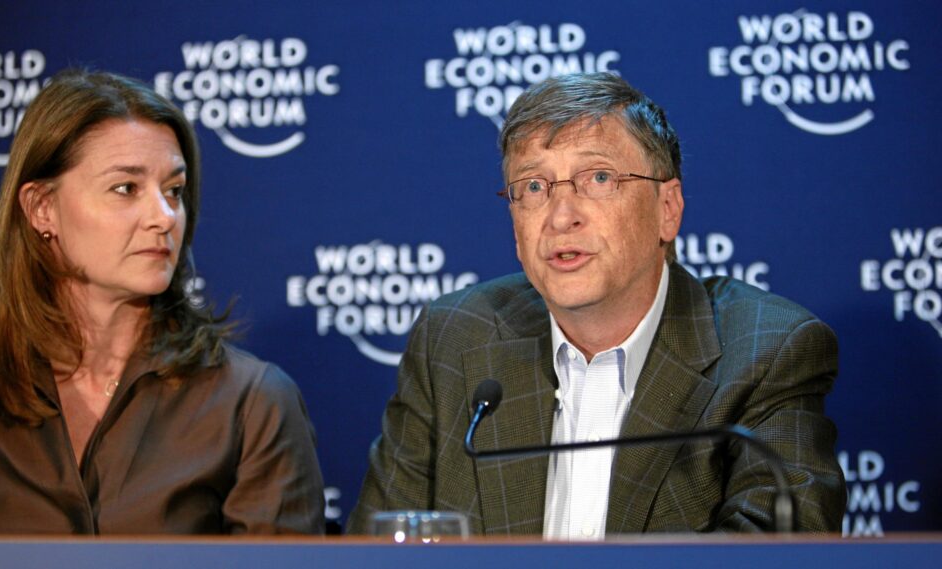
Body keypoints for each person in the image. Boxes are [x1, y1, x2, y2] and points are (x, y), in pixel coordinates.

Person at [348, 72, 845, 537]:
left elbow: (774, 555)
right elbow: (383, 549)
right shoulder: (454, 339)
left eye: (599, 178)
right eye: (534, 187)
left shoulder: (766, 351)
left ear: (667, 210)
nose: (561, 216)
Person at [0, 69, 325, 534]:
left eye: (174, 191)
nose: (164, 216)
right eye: (126, 189)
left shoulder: (253, 404)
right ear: (41, 209)